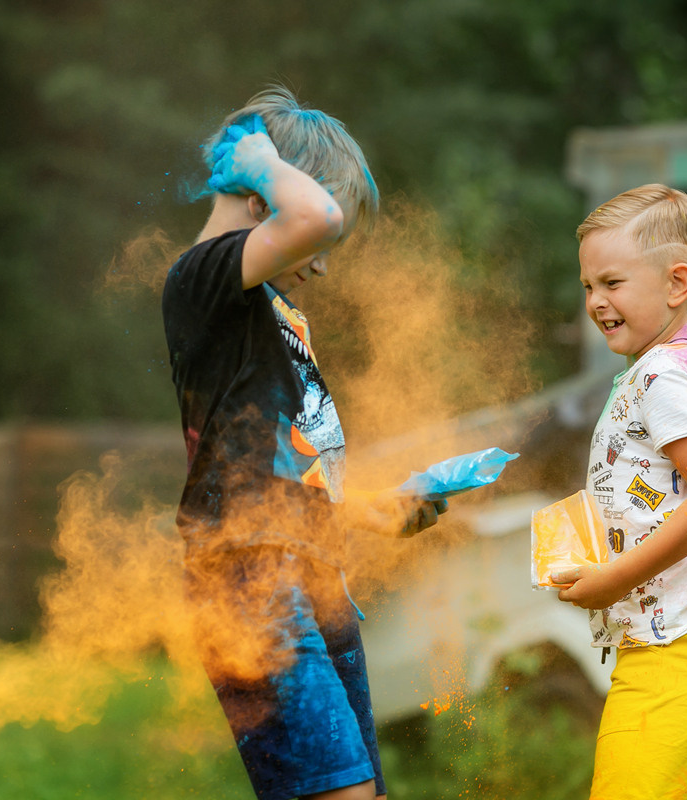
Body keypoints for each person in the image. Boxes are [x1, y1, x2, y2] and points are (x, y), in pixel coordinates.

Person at [162, 85, 446, 800]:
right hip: (249, 582)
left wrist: (372, 510)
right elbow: (314, 214)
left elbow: (278, 472)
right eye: (323, 246)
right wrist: (259, 157)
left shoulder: (269, 310)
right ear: (263, 198)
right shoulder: (199, 281)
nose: (320, 262)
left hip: (312, 575)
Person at [552, 184, 687, 800]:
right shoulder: (653, 369)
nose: (595, 302)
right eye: (589, 286)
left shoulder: (662, 377)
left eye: (612, 284)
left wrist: (616, 579)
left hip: (678, 643)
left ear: (676, 284)